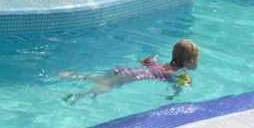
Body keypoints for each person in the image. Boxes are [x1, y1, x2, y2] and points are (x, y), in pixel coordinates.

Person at [62, 39, 200, 103]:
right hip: (131, 77)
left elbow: (146, 61)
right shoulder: (180, 75)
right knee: (106, 86)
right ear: (190, 62)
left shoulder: (160, 65)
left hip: (126, 70)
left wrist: (151, 58)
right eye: (196, 60)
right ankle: (78, 95)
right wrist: (173, 96)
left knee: (103, 79)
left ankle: (75, 75)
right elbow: (179, 88)